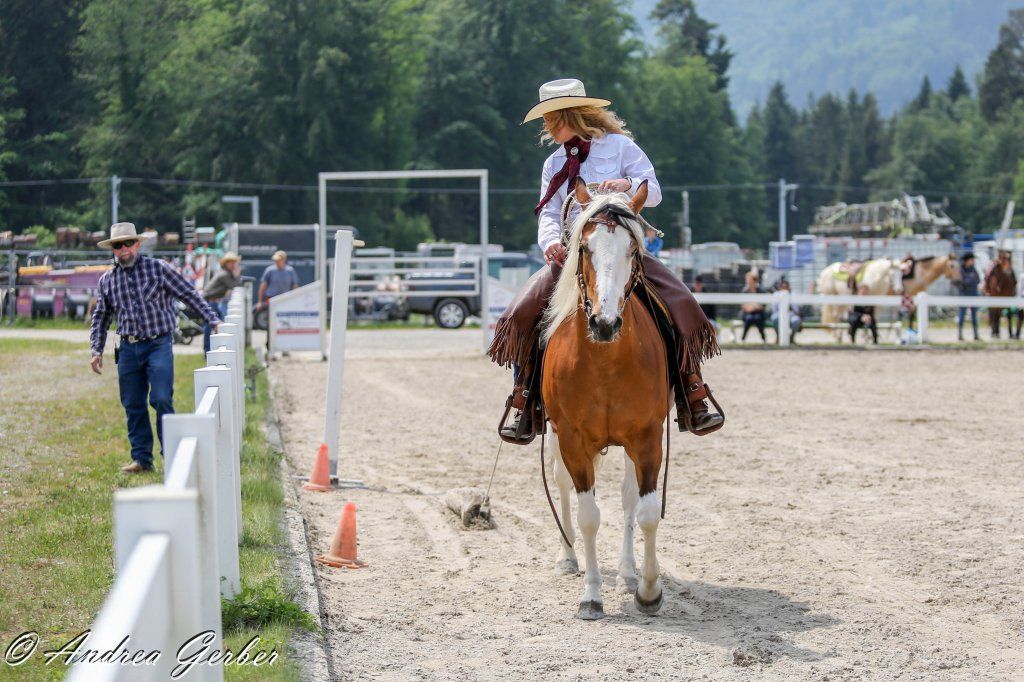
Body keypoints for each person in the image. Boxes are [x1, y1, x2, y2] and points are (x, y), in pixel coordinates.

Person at [490, 78, 723, 442]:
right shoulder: (553, 163)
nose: (548, 127)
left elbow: (655, 192)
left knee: (680, 302)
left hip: (621, 246)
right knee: (521, 315)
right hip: (574, 252)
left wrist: (626, 185)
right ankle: (525, 399)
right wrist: (550, 241)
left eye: (553, 118)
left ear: (574, 115)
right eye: (547, 120)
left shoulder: (620, 147)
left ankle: (692, 391)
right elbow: (549, 212)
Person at [89, 222, 222, 473]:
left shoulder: (159, 269)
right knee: (132, 403)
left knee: (161, 398)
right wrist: (96, 350)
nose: (125, 249)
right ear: (114, 250)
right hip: (127, 347)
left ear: (137, 244)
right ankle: (142, 459)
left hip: (158, 343)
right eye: (119, 245)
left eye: (129, 243)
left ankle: (171, 455)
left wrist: (211, 318)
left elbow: (188, 293)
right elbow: (101, 317)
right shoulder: (107, 280)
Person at [257, 250, 300, 350]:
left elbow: (295, 286)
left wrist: (296, 300)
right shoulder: (270, 270)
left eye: (279, 260)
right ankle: (269, 346)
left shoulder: (290, 271)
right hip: (271, 300)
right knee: (271, 324)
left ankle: (285, 347)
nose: (277, 262)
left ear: (284, 260)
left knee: (285, 324)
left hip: (285, 301)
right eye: (276, 260)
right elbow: (263, 286)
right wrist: (260, 301)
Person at [203, 252, 244, 352]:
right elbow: (235, 285)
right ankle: (208, 350)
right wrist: (237, 275)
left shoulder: (225, 273)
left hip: (213, 301)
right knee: (210, 326)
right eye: (230, 262)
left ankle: (212, 350)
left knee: (218, 325)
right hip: (210, 301)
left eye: (234, 262)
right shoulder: (224, 274)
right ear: (225, 263)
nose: (233, 265)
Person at [983, 250, 1017, 338]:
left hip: (1007, 293)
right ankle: (986, 287)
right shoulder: (996, 263)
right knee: (989, 271)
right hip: (996, 267)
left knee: (1012, 274)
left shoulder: (1007, 258)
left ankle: (1014, 290)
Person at [955, 252, 981, 341]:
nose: (973, 261)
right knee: (962, 315)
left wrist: (969, 282)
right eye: (972, 259)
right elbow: (961, 282)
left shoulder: (973, 269)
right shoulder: (961, 270)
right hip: (964, 295)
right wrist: (968, 282)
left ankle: (976, 334)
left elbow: (978, 279)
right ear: (967, 260)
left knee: (974, 316)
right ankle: (960, 334)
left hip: (973, 294)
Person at [740, 270, 766, 342]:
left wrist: (753, 307)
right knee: (749, 319)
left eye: (749, 279)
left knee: (757, 319)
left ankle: (763, 338)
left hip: (758, 312)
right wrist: (752, 307)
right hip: (747, 312)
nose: (747, 281)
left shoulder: (761, 291)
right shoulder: (745, 291)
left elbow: (763, 305)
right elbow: (743, 305)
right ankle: (743, 338)